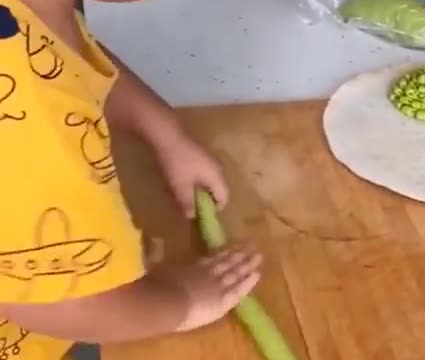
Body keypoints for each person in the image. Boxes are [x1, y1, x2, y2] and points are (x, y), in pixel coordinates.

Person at [0, 0, 264, 359]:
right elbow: (67, 308)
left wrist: (164, 133)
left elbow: (59, 58)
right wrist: (183, 301)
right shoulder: (30, 119)